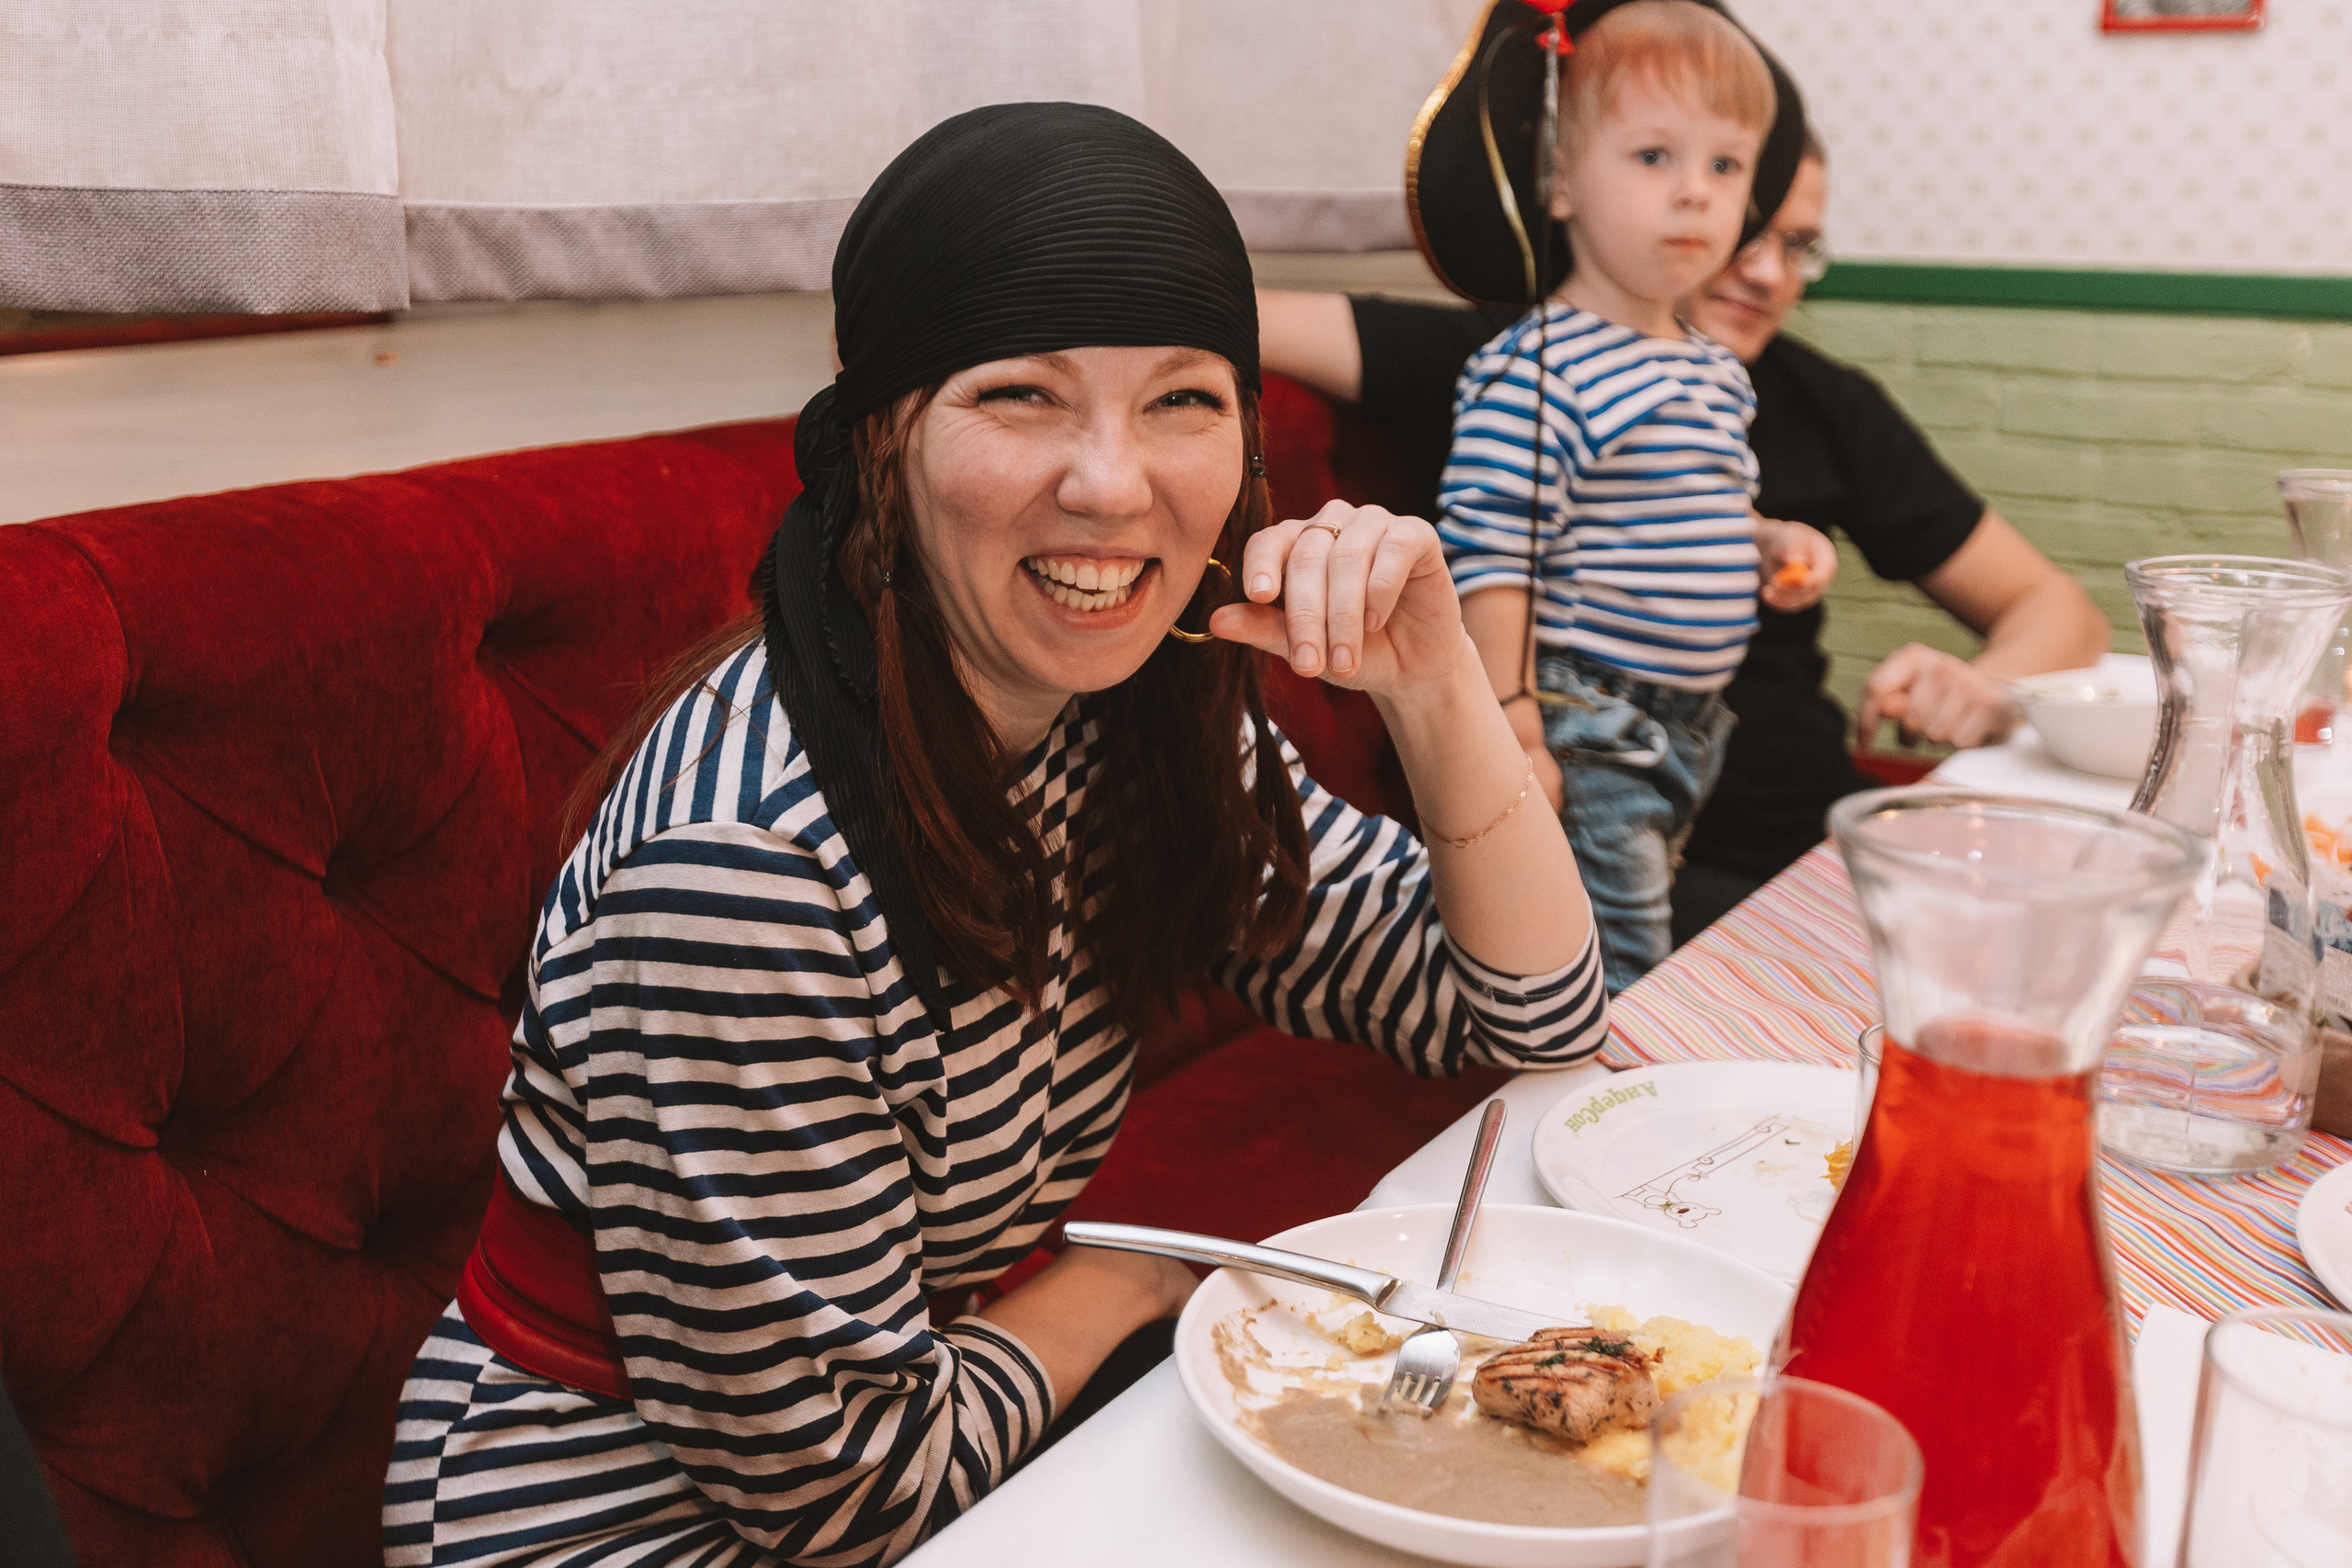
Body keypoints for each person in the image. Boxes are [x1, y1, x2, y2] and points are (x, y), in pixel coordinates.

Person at [384, 103, 1606, 1568]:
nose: (1113, 482)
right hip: (609, 1523)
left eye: (1184, 400)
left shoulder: (1138, 711)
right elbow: (843, 1495)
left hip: (949, 1427)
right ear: (885, 435)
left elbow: (1523, 1012)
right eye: (1023, 394)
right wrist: (1132, 1278)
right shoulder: (747, 864)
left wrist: (1438, 684)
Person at [1261, 135, 2105, 949]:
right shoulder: (1528, 359)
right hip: (1642, 842)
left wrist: (1979, 686)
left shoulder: (1814, 400)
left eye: (1799, 245)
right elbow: (1237, 312)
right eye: (1748, 234)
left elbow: (2060, 610)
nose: (1770, 274)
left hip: (1817, 829)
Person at [1434, 0, 1838, 991]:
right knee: (1618, 974)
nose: (1695, 197)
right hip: (1588, 721)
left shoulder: (1711, 369)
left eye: (1724, 167)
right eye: (1654, 158)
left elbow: (1694, 505)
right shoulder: (1539, 369)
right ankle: (1597, 1124)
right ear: (1562, 180)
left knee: (1631, 941)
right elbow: (1489, 556)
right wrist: (1510, 724)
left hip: (1696, 727)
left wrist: (1767, 542)